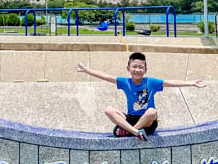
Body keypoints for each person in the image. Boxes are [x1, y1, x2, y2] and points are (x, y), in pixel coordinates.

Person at [75, 51, 207, 140]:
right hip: (132, 118)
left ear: (145, 70)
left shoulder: (151, 82)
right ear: (128, 68)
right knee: (108, 110)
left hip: (147, 123)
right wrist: (87, 70)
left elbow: (170, 82)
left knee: (152, 111)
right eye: (134, 67)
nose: (137, 70)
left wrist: (191, 83)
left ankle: (129, 131)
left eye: (140, 67)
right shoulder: (125, 82)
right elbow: (105, 76)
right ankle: (134, 132)